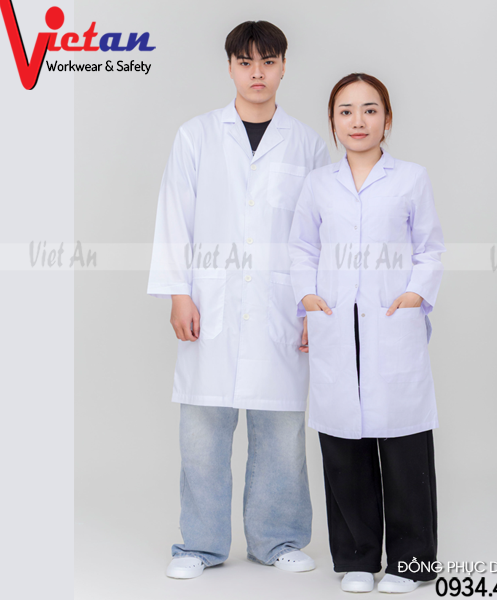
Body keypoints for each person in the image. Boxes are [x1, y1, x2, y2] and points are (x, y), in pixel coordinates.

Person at [147, 21, 330, 579]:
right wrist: (179, 293)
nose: (257, 73)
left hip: (283, 307)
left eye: (269, 62)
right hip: (211, 302)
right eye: (246, 62)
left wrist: (313, 304)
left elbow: (318, 233)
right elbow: (174, 216)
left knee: (281, 433)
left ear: (283, 67)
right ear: (230, 66)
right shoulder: (196, 136)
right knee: (202, 434)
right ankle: (199, 545)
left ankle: (278, 540)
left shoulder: (307, 143)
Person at [288, 73, 445, 594]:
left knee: (404, 448)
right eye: (346, 111)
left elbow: (429, 248)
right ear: (333, 122)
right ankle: (356, 558)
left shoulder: (411, 178)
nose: (358, 121)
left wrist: (414, 295)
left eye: (370, 109)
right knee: (342, 445)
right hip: (335, 323)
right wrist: (308, 297)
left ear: (387, 119)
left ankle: (412, 562)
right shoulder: (318, 184)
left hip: (391, 322)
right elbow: (301, 248)